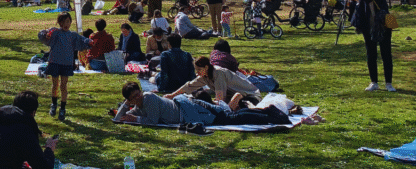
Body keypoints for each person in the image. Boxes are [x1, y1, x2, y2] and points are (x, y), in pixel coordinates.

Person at [114, 82, 289, 127]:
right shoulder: (141, 103)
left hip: (189, 111)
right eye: (133, 98)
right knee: (229, 117)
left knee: (229, 118)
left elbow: (151, 121)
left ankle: (269, 115)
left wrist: (133, 119)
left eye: (137, 95)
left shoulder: (148, 99)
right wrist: (126, 108)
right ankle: (268, 113)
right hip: (188, 106)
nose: (137, 99)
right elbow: (126, 115)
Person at [0, 90, 57, 169]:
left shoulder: (3, 120)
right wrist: (49, 148)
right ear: (33, 112)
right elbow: (44, 167)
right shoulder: (24, 130)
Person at [39, 13, 91, 121]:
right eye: (63, 22)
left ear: (71, 22)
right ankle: (53, 104)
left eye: (68, 21)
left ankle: (62, 108)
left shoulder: (73, 35)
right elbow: (43, 35)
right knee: (54, 84)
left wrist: (90, 42)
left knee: (63, 86)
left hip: (66, 64)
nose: (66, 24)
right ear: (59, 23)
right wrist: (45, 34)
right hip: (54, 62)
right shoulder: (55, 32)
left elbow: (83, 40)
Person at [352, 0, 395, 91]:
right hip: (368, 25)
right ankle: (374, 82)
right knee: (371, 54)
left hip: (383, 24)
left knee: (386, 53)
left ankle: (389, 83)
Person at [165, 56, 259, 104]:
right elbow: (188, 86)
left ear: (206, 67)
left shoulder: (218, 73)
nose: (197, 73)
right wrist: (172, 95)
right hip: (236, 97)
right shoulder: (205, 76)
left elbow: (220, 99)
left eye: (199, 70)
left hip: (250, 96)